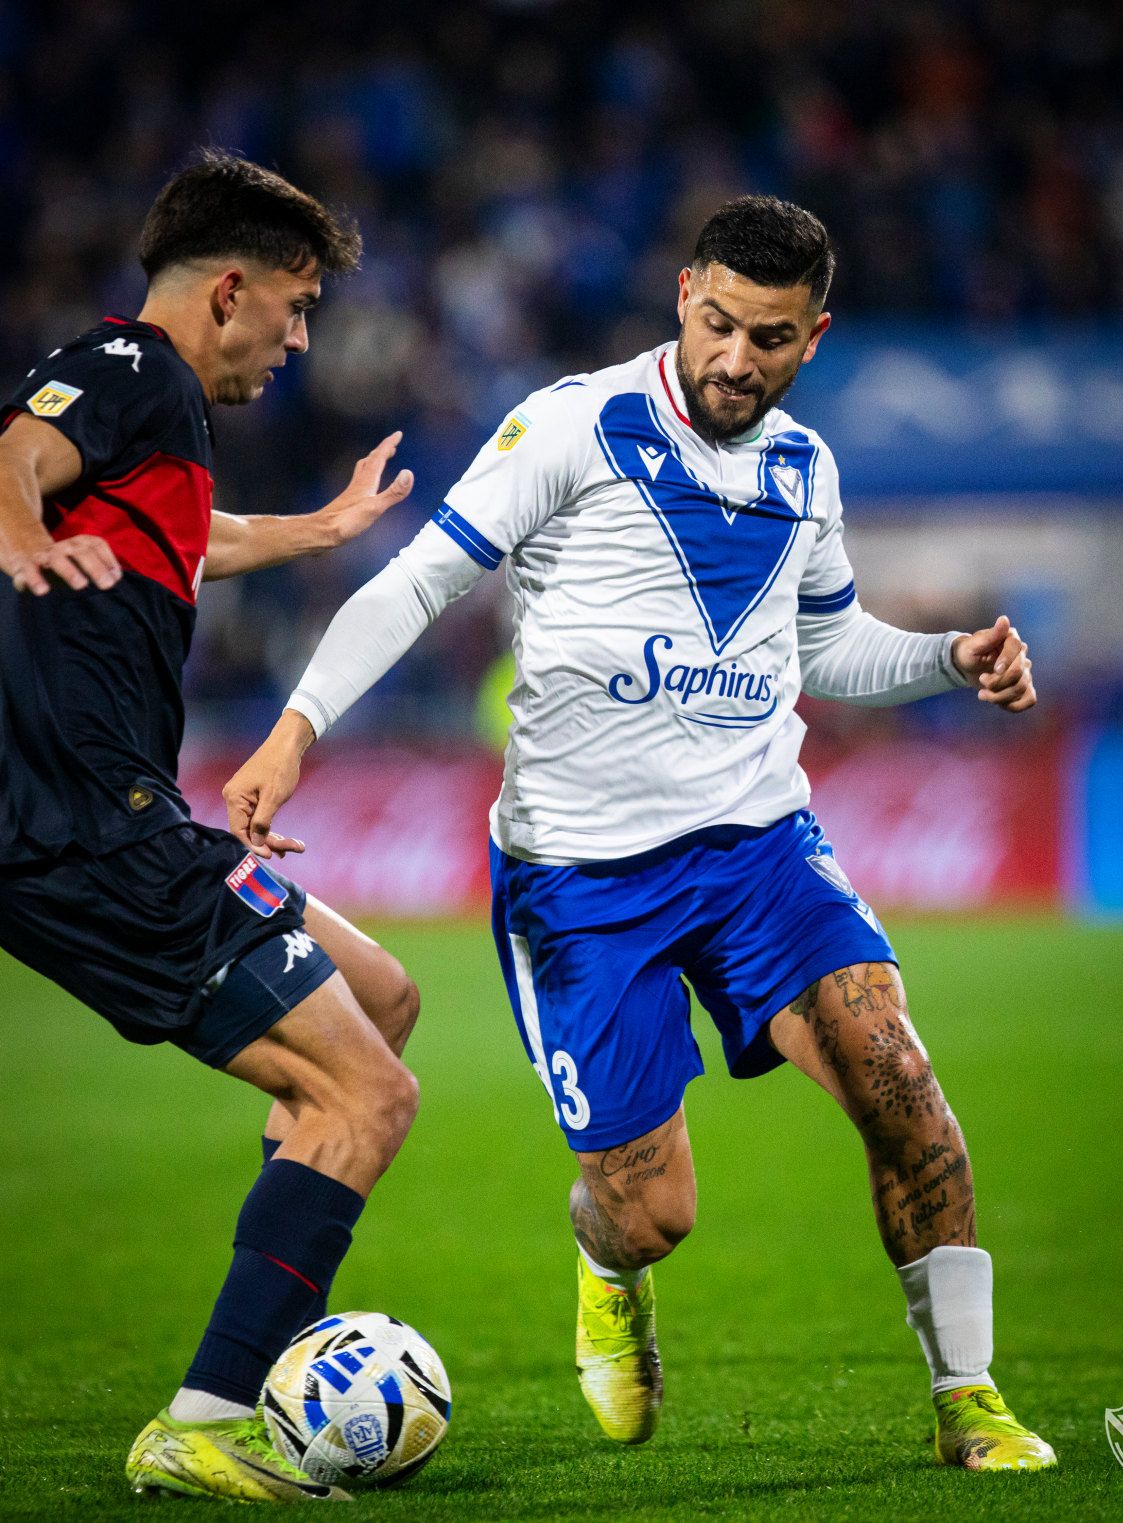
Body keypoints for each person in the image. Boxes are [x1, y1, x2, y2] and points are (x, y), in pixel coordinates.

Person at [225, 195, 1056, 1475]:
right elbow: (419, 579)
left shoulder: (805, 470)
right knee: (652, 1208)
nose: (735, 358)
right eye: (718, 323)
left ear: (814, 337)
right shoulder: (574, 425)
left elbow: (828, 645)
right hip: (581, 879)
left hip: (761, 847)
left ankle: (969, 1396)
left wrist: (950, 656)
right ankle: (608, 1263)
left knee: (900, 1080)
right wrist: (295, 729)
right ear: (683, 296)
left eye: (769, 338)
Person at [0, 151, 424, 1503]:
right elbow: (14, 454)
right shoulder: (131, 366)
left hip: (109, 813)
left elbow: (190, 535)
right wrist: (18, 535)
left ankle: (280, 1348)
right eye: (295, 310)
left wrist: (322, 527)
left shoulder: (156, 418)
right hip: (91, 825)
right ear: (230, 290)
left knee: (383, 995)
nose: (298, 342)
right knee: (369, 1094)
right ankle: (206, 1415)